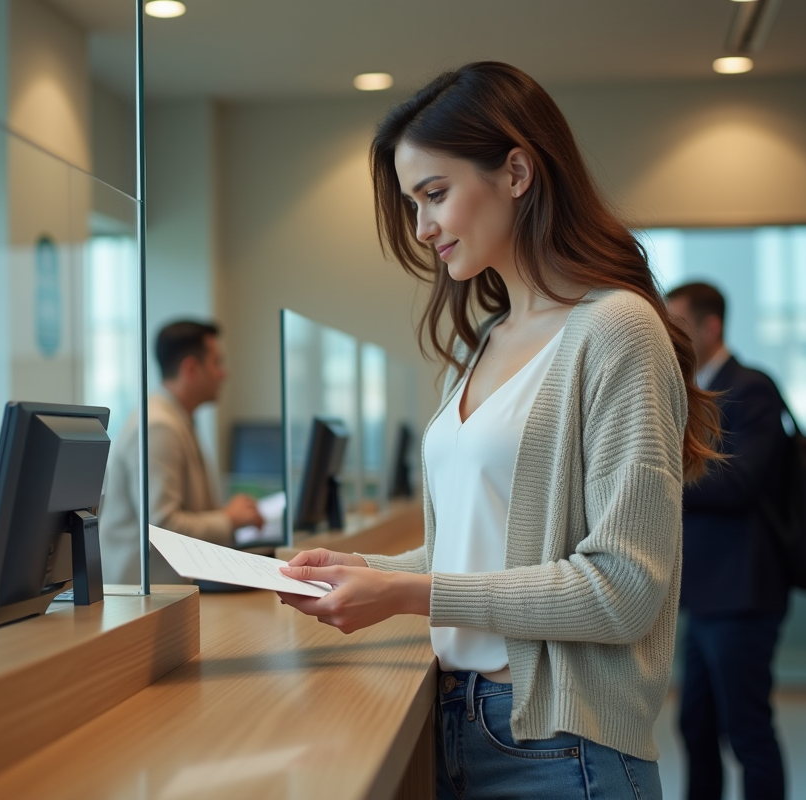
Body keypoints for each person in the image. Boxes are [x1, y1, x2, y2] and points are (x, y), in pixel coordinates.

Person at [275, 62, 722, 799]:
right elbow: (483, 545)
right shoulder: (484, 341)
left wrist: (405, 593)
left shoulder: (616, 329)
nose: (422, 229)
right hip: (461, 721)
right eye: (413, 205)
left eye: (434, 195)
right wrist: (365, 570)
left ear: (516, 171)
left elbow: (623, 590)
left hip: (561, 748)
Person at [667, 281, 790, 800]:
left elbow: (741, 480)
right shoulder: (694, 389)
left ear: (710, 327)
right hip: (707, 595)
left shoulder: (751, 387)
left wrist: (662, 478)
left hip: (742, 592)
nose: (669, 336)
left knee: (746, 731)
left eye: (679, 325)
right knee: (695, 725)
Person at [100, 320, 264, 584]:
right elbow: (163, 527)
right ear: (190, 369)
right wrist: (228, 519)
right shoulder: (158, 426)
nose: (224, 374)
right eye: (217, 362)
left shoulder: (176, 418)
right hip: (143, 603)